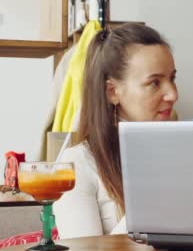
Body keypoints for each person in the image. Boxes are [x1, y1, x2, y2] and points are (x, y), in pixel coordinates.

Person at [54, 23, 179, 238]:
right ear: (112, 91)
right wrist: (158, 189)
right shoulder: (78, 164)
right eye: (154, 83)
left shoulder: (182, 152)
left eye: (172, 79)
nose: (172, 94)